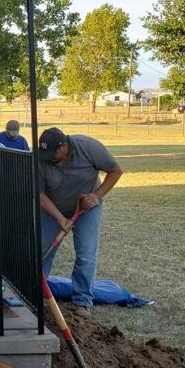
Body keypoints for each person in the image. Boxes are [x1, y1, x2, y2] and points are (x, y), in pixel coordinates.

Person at [37, 127, 123, 318]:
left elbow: (116, 170)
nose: (49, 157)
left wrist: (96, 196)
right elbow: (39, 195)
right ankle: (35, 294)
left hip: (87, 208)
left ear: (64, 145)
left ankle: (82, 301)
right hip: (52, 208)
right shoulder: (41, 158)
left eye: (53, 153)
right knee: (42, 250)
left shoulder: (89, 147)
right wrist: (60, 218)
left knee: (85, 253)